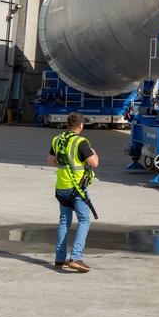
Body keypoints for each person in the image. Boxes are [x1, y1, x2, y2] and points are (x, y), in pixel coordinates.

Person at [49, 112, 99, 273]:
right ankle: (76, 257)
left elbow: (51, 161)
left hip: (61, 187)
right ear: (80, 126)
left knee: (64, 222)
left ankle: (59, 259)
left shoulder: (57, 140)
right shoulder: (81, 142)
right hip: (77, 188)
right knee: (84, 220)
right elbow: (94, 163)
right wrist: (93, 152)